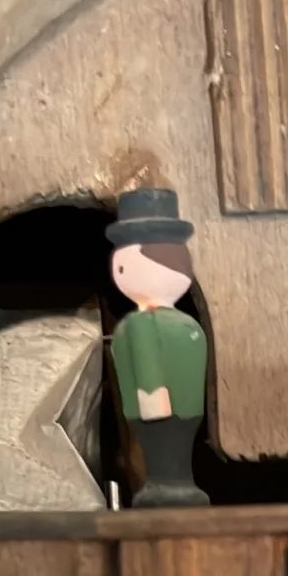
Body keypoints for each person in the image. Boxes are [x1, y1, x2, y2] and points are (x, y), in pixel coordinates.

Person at [106, 188, 209, 508]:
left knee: (172, 451)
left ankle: (171, 481)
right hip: (170, 409)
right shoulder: (145, 325)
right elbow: (147, 362)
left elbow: (151, 361)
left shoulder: (150, 324)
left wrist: (156, 400)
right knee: (167, 452)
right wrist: (154, 399)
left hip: (175, 407)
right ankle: (169, 482)